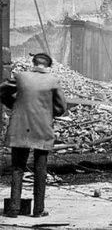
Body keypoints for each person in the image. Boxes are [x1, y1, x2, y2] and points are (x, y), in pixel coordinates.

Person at [0, 53, 67, 218]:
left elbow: (2, 92)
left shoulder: (21, 77)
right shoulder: (53, 80)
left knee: (17, 168)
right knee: (40, 169)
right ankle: (38, 210)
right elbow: (61, 107)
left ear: (33, 63)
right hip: (42, 128)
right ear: (48, 66)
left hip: (20, 126)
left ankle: (14, 209)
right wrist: (47, 113)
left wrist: (15, 105)